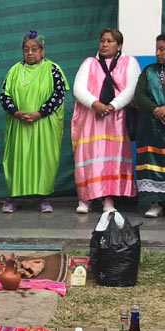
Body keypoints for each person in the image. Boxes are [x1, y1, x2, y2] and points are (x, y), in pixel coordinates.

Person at [0, 30, 69, 214]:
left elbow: (58, 95)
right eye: (26, 49)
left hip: (43, 125)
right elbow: (4, 96)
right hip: (19, 126)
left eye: (34, 49)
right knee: (17, 160)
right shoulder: (14, 70)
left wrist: (40, 113)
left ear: (42, 51)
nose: (30, 53)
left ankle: (43, 198)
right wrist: (15, 112)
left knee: (43, 160)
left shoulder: (53, 69)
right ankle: (11, 198)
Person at [72, 28, 140, 214]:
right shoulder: (89, 63)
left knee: (111, 161)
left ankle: (108, 200)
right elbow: (78, 88)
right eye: (102, 40)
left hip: (116, 121)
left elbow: (131, 89)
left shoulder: (129, 62)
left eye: (110, 41)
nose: (105, 44)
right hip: (91, 119)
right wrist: (96, 104)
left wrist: (111, 106)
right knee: (89, 158)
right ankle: (85, 199)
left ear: (119, 45)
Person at [134, 33, 165, 218]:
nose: (158, 53)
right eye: (157, 49)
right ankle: (155, 202)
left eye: (162, 49)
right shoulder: (149, 71)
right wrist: (156, 109)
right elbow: (139, 95)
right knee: (153, 164)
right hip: (151, 129)